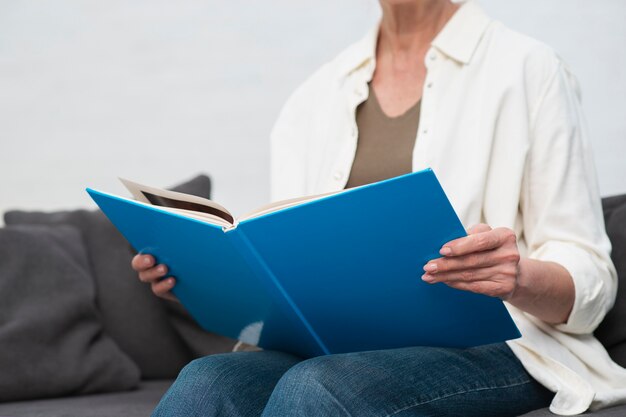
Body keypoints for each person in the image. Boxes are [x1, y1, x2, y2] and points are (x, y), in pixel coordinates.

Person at [132, 0, 626, 415]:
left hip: (502, 347)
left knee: (318, 388)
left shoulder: (529, 69)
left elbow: (592, 280)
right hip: (335, 349)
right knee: (206, 381)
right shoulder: (315, 97)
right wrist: (208, 281)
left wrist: (515, 277)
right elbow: (291, 268)